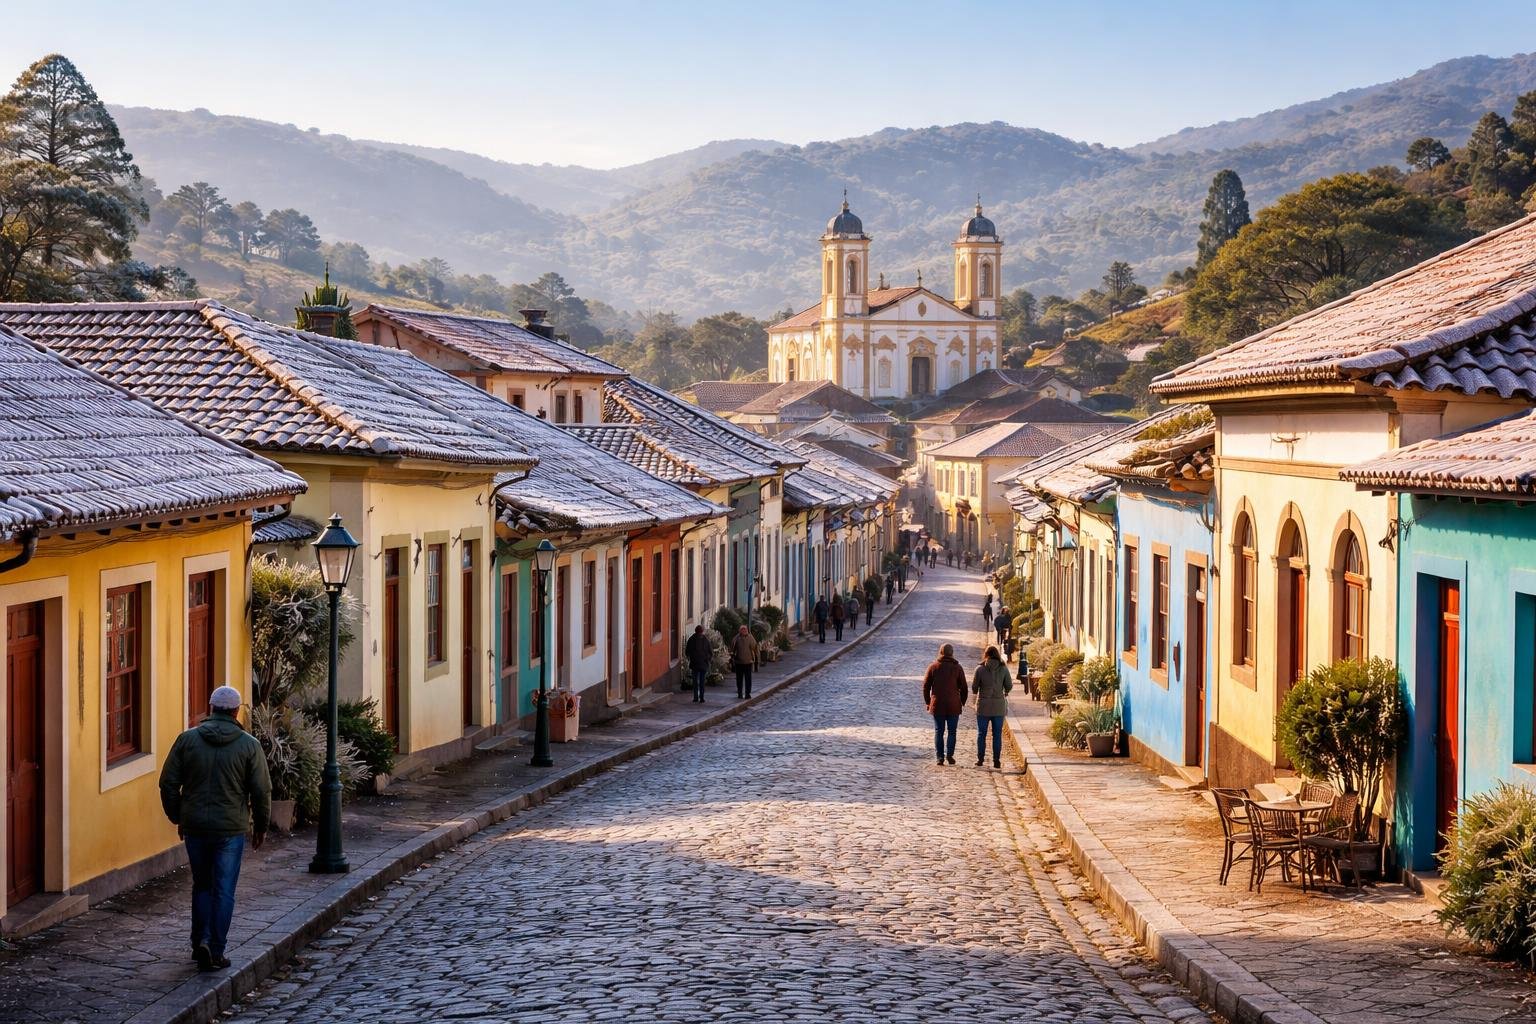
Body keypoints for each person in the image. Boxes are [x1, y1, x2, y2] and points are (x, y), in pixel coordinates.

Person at [158, 685, 270, 972]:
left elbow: (168, 782)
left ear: (211, 708)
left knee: (202, 885)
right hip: (230, 829)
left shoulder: (187, 740)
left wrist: (178, 815)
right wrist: (261, 825)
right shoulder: (249, 745)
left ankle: (200, 942)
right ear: (235, 711)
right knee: (224, 890)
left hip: (195, 826)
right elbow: (261, 790)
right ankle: (216, 949)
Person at [922, 643, 968, 765]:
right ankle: (950, 755)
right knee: (952, 731)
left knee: (939, 731)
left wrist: (928, 702)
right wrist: (962, 702)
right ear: (952, 653)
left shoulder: (933, 667)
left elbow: (926, 687)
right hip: (953, 704)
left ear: (941, 652)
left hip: (938, 705)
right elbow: (964, 687)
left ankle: (939, 757)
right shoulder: (957, 668)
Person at [972, 645, 1013, 769]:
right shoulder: (1003, 668)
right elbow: (1009, 685)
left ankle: (980, 759)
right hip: (998, 706)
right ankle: (996, 760)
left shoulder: (979, 669)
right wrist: (1004, 691)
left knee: (981, 734)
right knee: (997, 734)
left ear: (986, 655)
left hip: (983, 706)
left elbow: (974, 687)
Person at [685, 624, 713, 703]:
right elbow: (710, 652)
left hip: (698, 664)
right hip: (700, 664)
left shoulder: (692, 639)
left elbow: (687, 652)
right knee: (700, 682)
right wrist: (708, 659)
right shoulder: (704, 639)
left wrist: (690, 658)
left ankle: (697, 697)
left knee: (697, 682)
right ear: (701, 631)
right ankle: (700, 697)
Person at [730, 624, 758, 699]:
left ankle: (747, 694)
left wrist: (756, 661)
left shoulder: (750, 637)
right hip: (739, 662)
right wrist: (733, 658)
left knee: (748, 679)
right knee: (739, 679)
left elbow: (754, 646)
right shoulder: (736, 638)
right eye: (742, 630)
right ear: (740, 631)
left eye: (745, 630)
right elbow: (732, 648)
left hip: (748, 662)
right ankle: (740, 693)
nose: (744, 631)